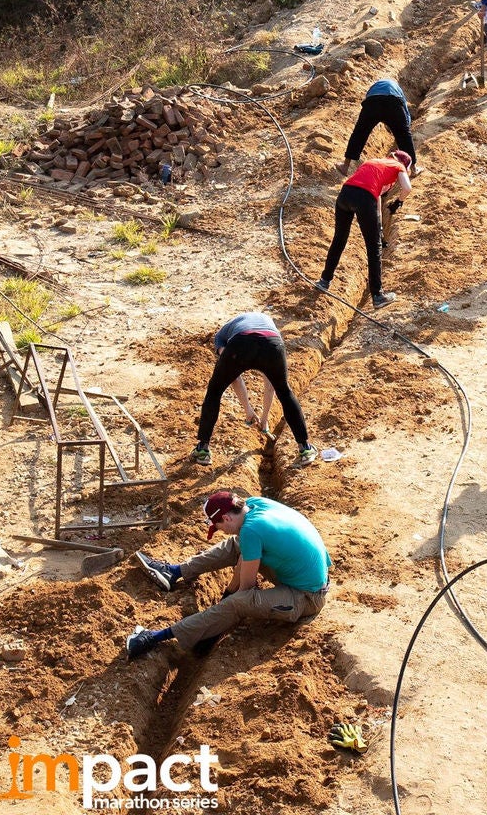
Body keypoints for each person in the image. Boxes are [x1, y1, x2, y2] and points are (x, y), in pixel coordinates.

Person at [127, 490, 332, 660]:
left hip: (307, 596)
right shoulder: (255, 504)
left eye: (219, 527)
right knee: (236, 545)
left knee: (238, 602)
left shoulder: (251, 530)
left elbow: (246, 589)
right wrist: (233, 583)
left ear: (226, 517)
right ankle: (174, 572)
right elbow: (244, 557)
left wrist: (226, 599)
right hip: (303, 573)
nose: (221, 531)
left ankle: (155, 637)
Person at [190, 314, 317, 468]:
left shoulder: (220, 337)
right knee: (284, 392)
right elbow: (271, 383)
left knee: (214, 392)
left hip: (240, 344)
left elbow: (233, 377)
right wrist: (263, 417)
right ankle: (305, 449)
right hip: (272, 345)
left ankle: (202, 449)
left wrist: (249, 410)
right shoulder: (267, 322)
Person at [316, 151, 412, 309]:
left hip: (345, 194)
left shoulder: (374, 162)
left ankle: (324, 281)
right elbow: (407, 188)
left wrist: (379, 226)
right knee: (374, 247)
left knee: (339, 238)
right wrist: (398, 202)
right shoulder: (398, 166)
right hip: (364, 199)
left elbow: (377, 197)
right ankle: (377, 295)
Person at [337, 79, 419, 177]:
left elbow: (367, 102)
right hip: (393, 103)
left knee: (359, 133)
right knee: (404, 135)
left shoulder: (373, 88)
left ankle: (345, 167)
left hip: (372, 103)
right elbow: (405, 115)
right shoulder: (398, 92)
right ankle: (413, 169)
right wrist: (402, 129)